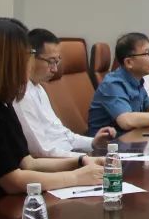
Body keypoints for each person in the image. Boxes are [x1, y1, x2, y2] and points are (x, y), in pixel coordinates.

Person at [0, 18, 104, 209]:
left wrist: (81, 161)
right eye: (28, 55)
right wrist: (76, 178)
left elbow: (29, 163)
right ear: (8, 62)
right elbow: (13, 181)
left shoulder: (2, 102)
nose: (30, 64)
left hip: (11, 203)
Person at [14, 28, 116, 157]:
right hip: (58, 163)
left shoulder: (38, 88)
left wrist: (93, 143)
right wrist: (83, 158)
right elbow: (42, 151)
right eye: (50, 61)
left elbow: (63, 135)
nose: (55, 69)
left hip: (69, 156)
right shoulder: (22, 94)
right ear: (31, 57)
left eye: (57, 62)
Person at [89, 32, 149, 135]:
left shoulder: (137, 79)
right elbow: (126, 121)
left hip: (131, 137)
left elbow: (148, 107)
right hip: (108, 142)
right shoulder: (112, 84)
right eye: (147, 54)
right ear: (129, 62)